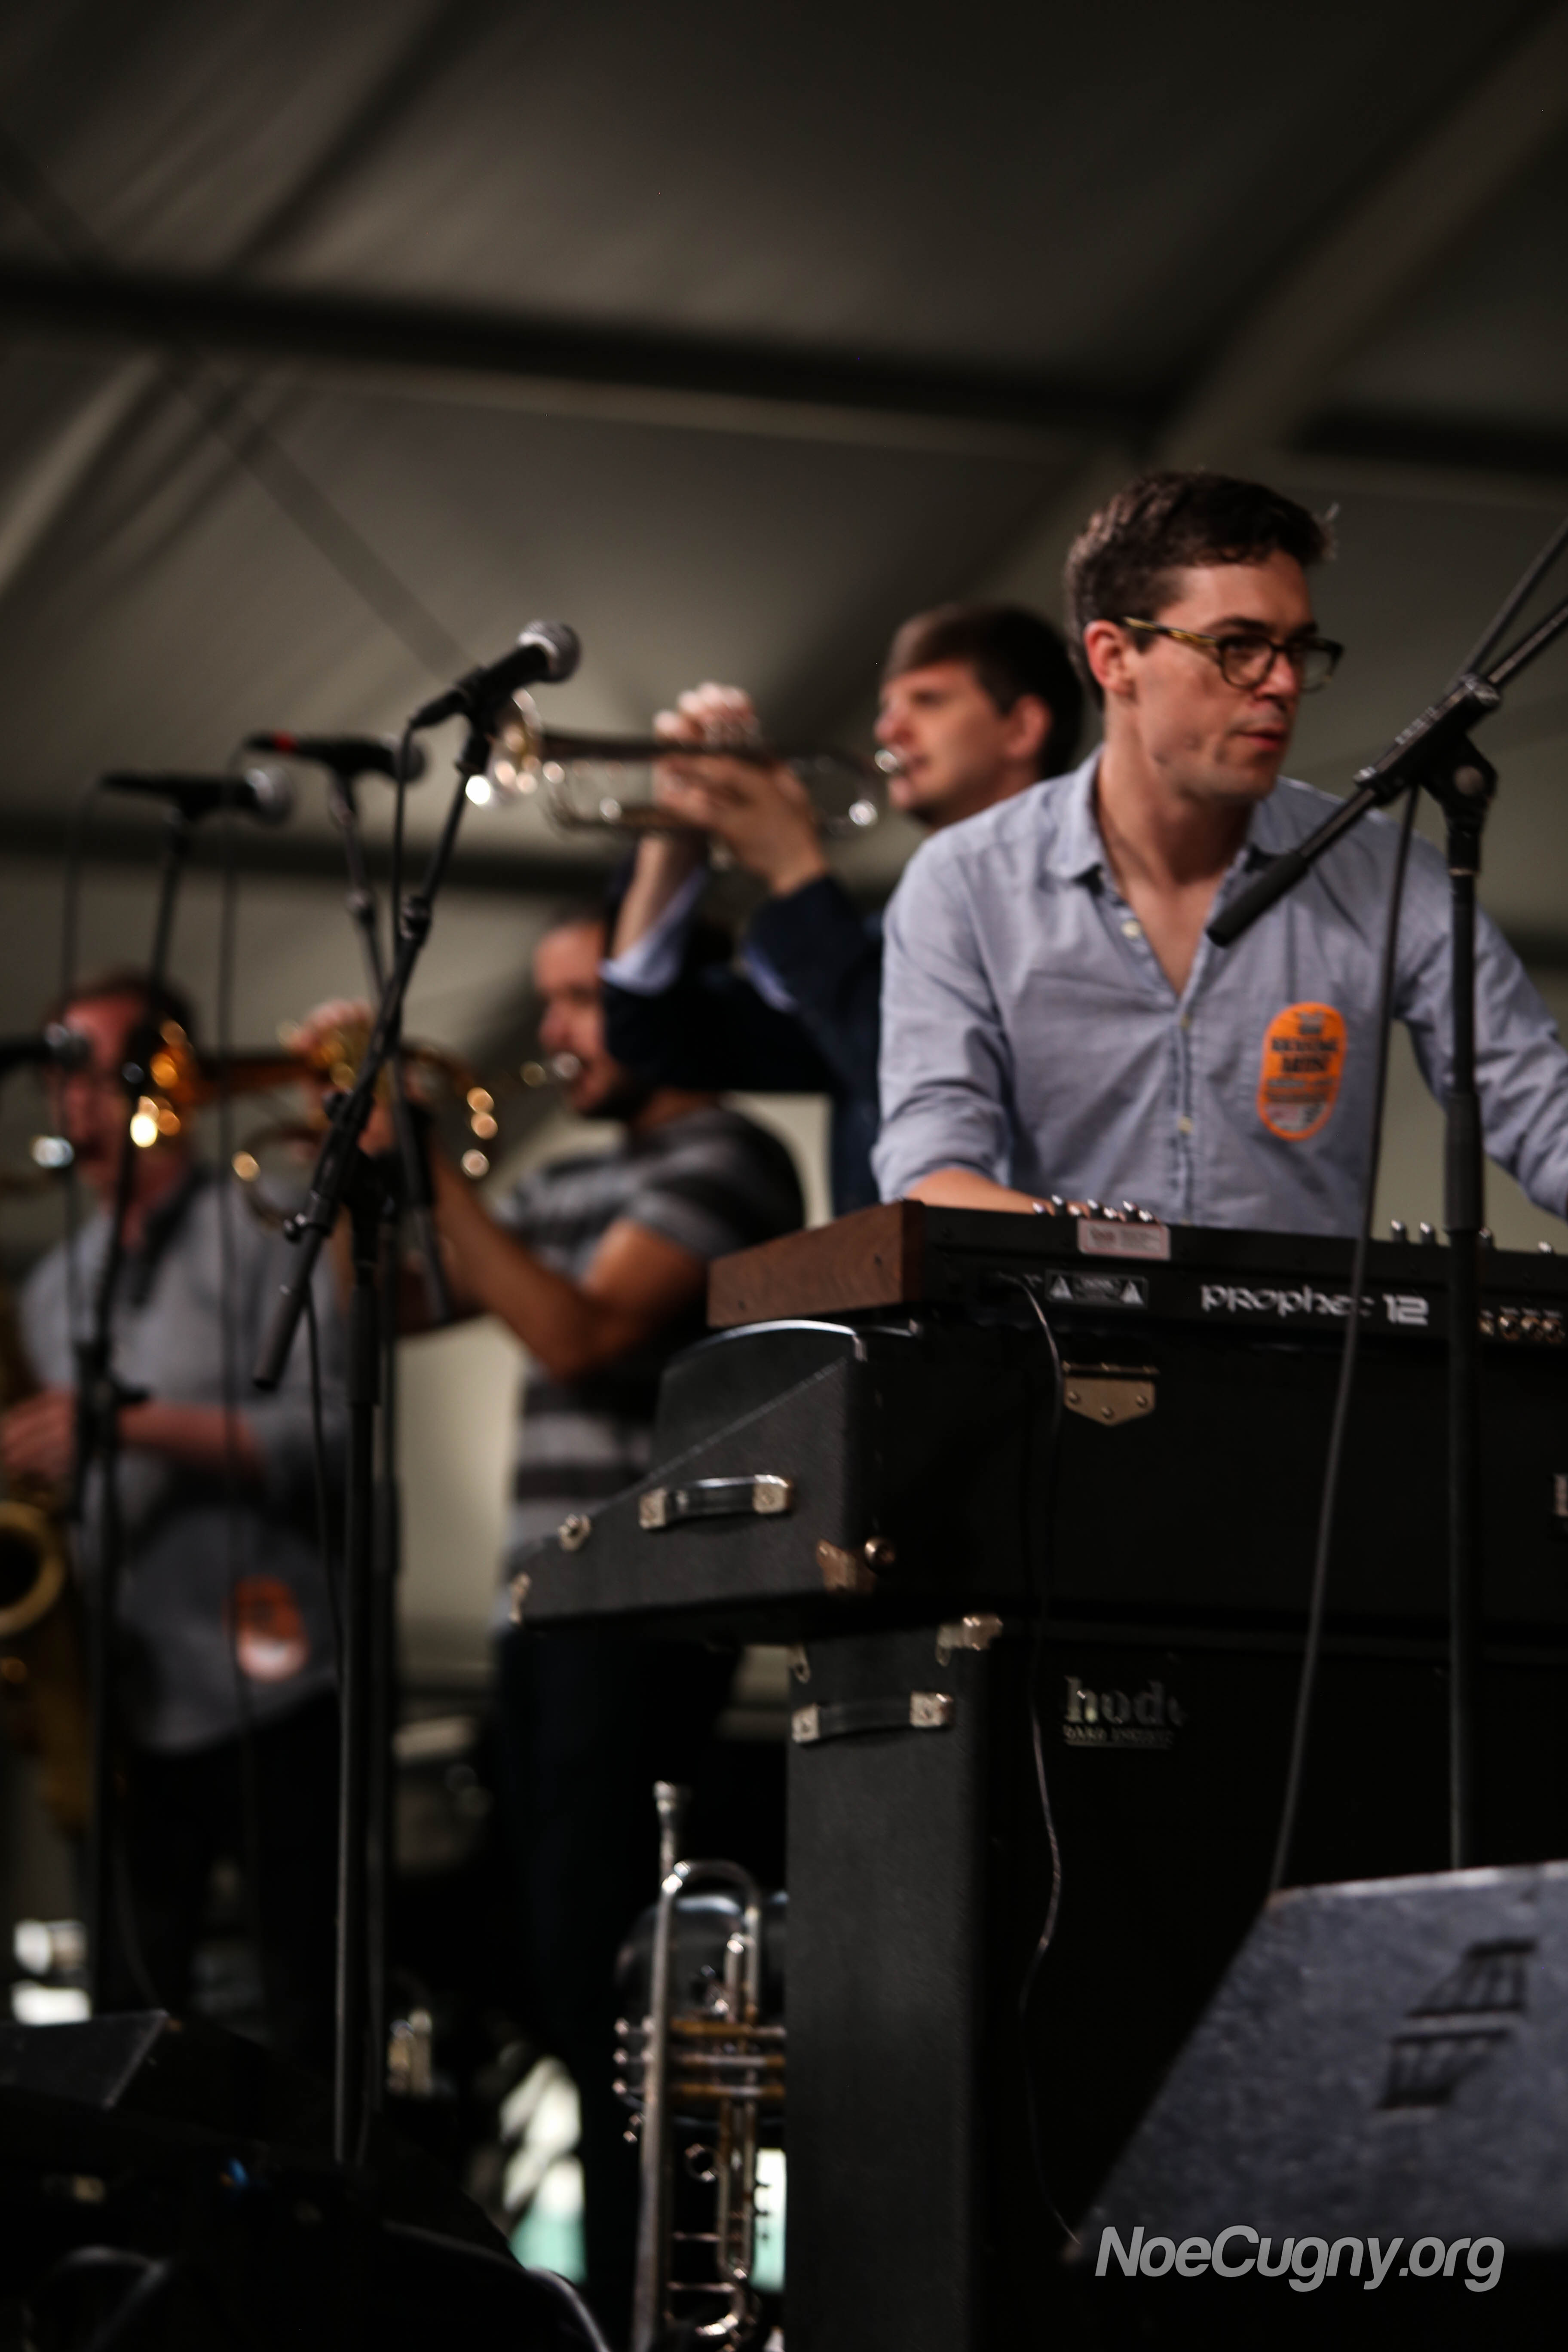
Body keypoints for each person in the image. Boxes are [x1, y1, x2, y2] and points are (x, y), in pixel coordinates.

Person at [300, 910, 803, 2334]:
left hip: (636, 1617)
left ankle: (643, 2308)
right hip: (542, 1618)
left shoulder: (728, 1156)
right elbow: (388, 1304)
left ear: (670, 1005)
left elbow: (578, 1333)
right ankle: (606, 2296)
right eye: (553, 1003)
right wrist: (360, 1161)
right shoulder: (575, 1174)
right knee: (561, 1978)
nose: (559, 1034)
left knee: (612, 1993)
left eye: (583, 1001)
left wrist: (439, 1168)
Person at [873, 470, 1568, 1232]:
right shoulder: (965, 881)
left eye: (1297, 649)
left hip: (1309, 1320)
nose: (1282, 683)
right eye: (1238, 646)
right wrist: (1110, 1258)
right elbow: (929, 1174)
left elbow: (1542, 1112)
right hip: (1059, 1313)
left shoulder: (1385, 870)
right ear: (1114, 657)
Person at [1, 970, 344, 2064]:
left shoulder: (265, 1230)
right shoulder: (55, 1284)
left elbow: (324, 1439)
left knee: (307, 2002)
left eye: (102, 1071)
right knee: (125, 2014)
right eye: (61, 1075)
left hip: (272, 1677)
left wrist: (124, 1425)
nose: (76, 1099)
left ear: (176, 1080)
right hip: (121, 1692)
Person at [603, 603, 1084, 1212]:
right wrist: (674, 844)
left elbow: (907, 1073)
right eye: (887, 707)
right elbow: (652, 1037)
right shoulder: (879, 940)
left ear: (1022, 728)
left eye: (928, 700)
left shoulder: (1072, 911)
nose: (889, 729)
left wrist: (793, 868)